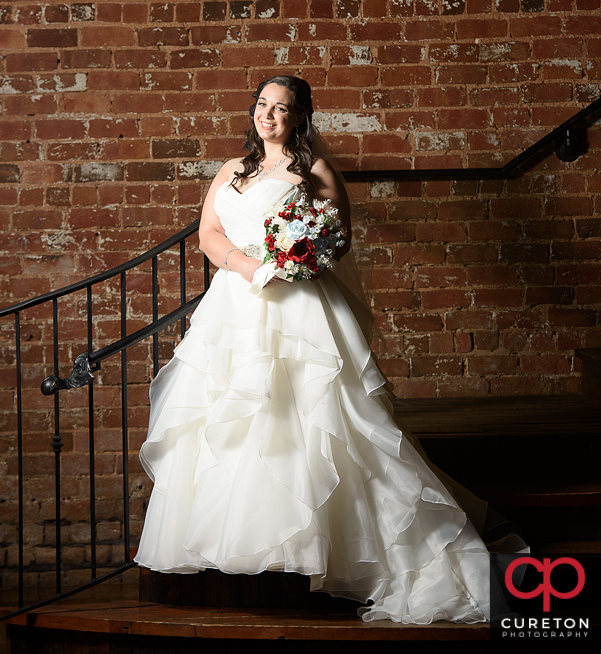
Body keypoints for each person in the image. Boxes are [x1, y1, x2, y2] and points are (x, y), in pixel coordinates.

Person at [134, 75, 497, 623]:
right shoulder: (231, 171)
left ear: (301, 117)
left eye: (282, 109)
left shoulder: (315, 172)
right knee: (233, 412)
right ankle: (242, 540)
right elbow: (209, 232)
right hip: (236, 301)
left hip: (296, 306)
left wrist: (294, 259)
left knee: (314, 415)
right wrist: (249, 266)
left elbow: (338, 238)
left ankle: (331, 546)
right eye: (261, 105)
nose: (268, 116)